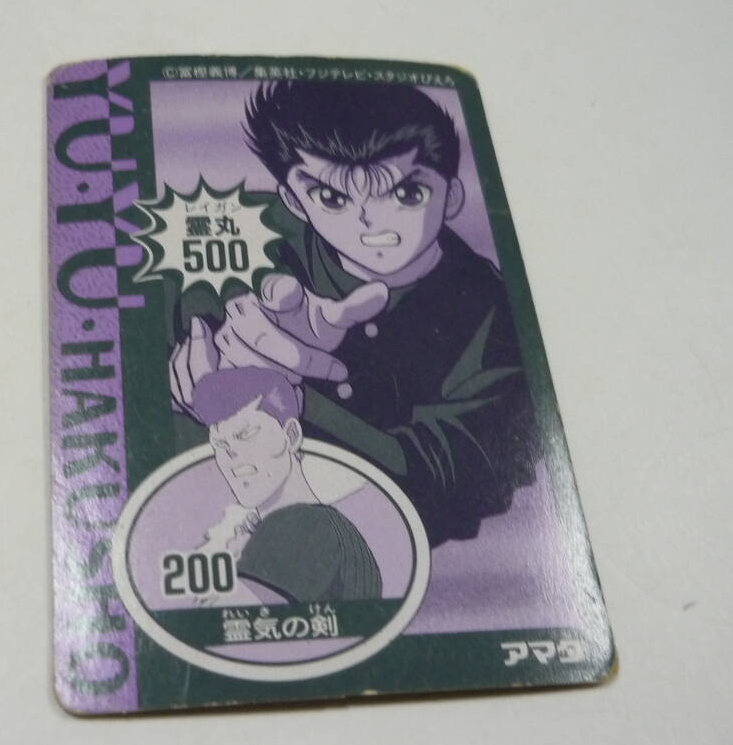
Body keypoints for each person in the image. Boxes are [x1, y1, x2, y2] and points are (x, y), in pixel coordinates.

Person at [170, 81, 539, 545]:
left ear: (451, 196)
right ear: (294, 201)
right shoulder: (253, 234)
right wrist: (197, 360)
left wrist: (293, 398)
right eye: (332, 199)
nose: (370, 221)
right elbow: (176, 308)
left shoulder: (496, 316)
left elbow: (453, 482)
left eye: (407, 194)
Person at [190, 366, 381, 603]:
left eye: (245, 435)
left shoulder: (300, 523)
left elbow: (233, 618)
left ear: (291, 436)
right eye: (220, 444)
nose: (231, 455)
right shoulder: (332, 528)